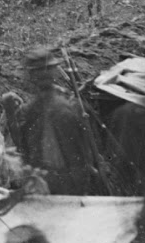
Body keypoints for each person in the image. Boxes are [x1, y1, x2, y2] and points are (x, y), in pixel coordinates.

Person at [10, 48, 95, 194]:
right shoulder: (34, 110)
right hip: (48, 182)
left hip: (56, 185)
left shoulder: (60, 110)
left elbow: (79, 161)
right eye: (39, 72)